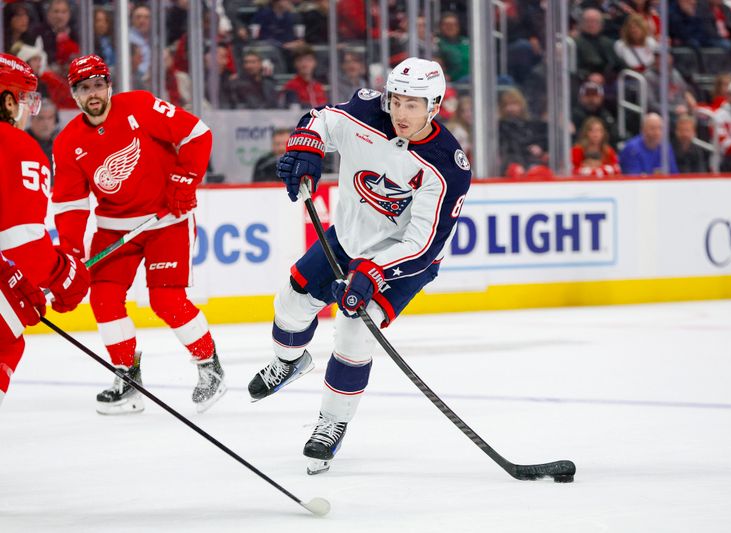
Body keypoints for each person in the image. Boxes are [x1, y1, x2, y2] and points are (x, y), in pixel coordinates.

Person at [247, 57, 472, 475]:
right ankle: (289, 361)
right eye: (397, 100)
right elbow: (321, 119)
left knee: (353, 328)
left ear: (435, 105)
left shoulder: (447, 165)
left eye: (413, 105)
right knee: (290, 302)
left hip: (402, 260)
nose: (401, 113)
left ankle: (331, 423)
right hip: (349, 236)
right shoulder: (367, 111)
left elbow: (423, 243)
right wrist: (306, 149)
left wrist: (374, 272)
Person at [50, 55, 226, 414]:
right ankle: (128, 378)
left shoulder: (142, 106)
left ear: (109, 85)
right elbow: (70, 203)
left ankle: (210, 367)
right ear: (74, 95)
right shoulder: (67, 142)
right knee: (103, 298)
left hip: (167, 221)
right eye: (84, 88)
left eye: (98, 84)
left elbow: (197, 134)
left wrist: (183, 181)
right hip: (113, 228)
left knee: (166, 301)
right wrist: (70, 250)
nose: (93, 93)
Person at [0, 53, 90, 407]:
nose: (27, 112)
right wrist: (63, 277)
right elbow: (22, 242)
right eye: (24, 100)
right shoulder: (15, 145)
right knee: (7, 332)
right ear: (7, 100)